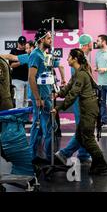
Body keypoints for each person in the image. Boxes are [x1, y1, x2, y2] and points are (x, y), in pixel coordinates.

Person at [52, 48, 107, 175]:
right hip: (87, 109)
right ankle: (63, 156)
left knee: (88, 139)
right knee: (80, 136)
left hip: (88, 111)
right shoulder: (78, 73)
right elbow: (68, 87)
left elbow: (73, 94)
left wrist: (58, 108)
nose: (67, 59)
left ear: (75, 59)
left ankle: (101, 164)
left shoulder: (82, 74)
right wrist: (57, 94)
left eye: (69, 57)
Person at [55, 34, 94, 165]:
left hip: (84, 100)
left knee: (83, 128)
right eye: (91, 42)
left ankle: (83, 154)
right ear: (87, 44)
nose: (93, 44)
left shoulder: (84, 59)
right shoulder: (80, 62)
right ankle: (64, 153)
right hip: (81, 101)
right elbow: (74, 86)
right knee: (82, 129)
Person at [0, 55, 35, 177]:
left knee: (6, 141)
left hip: (2, 105)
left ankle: (24, 165)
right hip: (5, 102)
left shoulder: (1, 62)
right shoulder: (3, 61)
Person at [28, 28, 54, 162]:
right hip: (41, 97)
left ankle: (33, 156)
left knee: (39, 127)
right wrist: (38, 98)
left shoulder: (44, 55)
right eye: (49, 38)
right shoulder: (35, 55)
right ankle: (49, 158)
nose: (51, 40)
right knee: (47, 127)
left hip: (46, 94)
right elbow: (31, 78)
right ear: (42, 39)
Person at [9, 36, 28, 108]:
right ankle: (18, 116)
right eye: (21, 44)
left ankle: (24, 117)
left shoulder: (26, 51)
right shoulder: (13, 51)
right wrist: (21, 62)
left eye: (24, 44)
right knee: (19, 99)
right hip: (17, 79)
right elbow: (11, 65)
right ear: (18, 43)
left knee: (25, 100)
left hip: (26, 79)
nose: (22, 46)